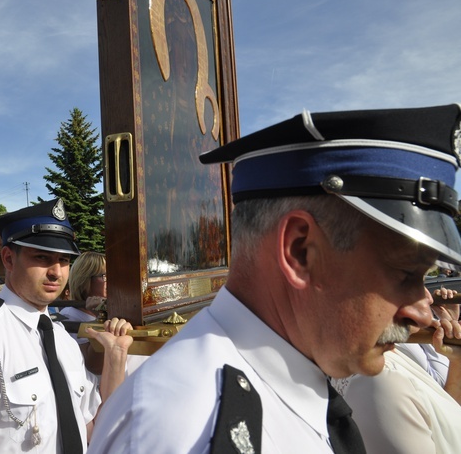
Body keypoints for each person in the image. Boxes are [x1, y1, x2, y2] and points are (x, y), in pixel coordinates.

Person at [88, 104, 461, 453]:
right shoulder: (186, 427)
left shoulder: (296, 380)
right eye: (405, 274)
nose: (423, 315)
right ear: (300, 251)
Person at [0, 198, 134, 453]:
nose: (56, 271)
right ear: (8, 259)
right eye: (42, 257)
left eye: (64, 260)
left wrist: (115, 356)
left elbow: (94, 430)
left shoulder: (62, 338)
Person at [337, 286, 461, 452]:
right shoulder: (380, 381)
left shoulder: (386, 360)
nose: (429, 297)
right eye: (410, 278)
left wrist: (458, 363)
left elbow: (443, 424)